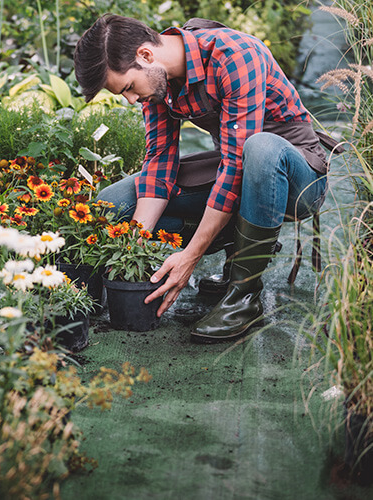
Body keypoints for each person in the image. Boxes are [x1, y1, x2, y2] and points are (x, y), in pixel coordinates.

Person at [73, 14, 330, 343]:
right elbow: (159, 162)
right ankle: (231, 239)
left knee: (260, 149)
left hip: (299, 177)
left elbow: (238, 164)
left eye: (128, 88)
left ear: (146, 55)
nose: (132, 100)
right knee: (115, 202)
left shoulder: (235, 56)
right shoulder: (160, 83)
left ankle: (243, 297)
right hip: (235, 169)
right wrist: (132, 247)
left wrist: (190, 257)